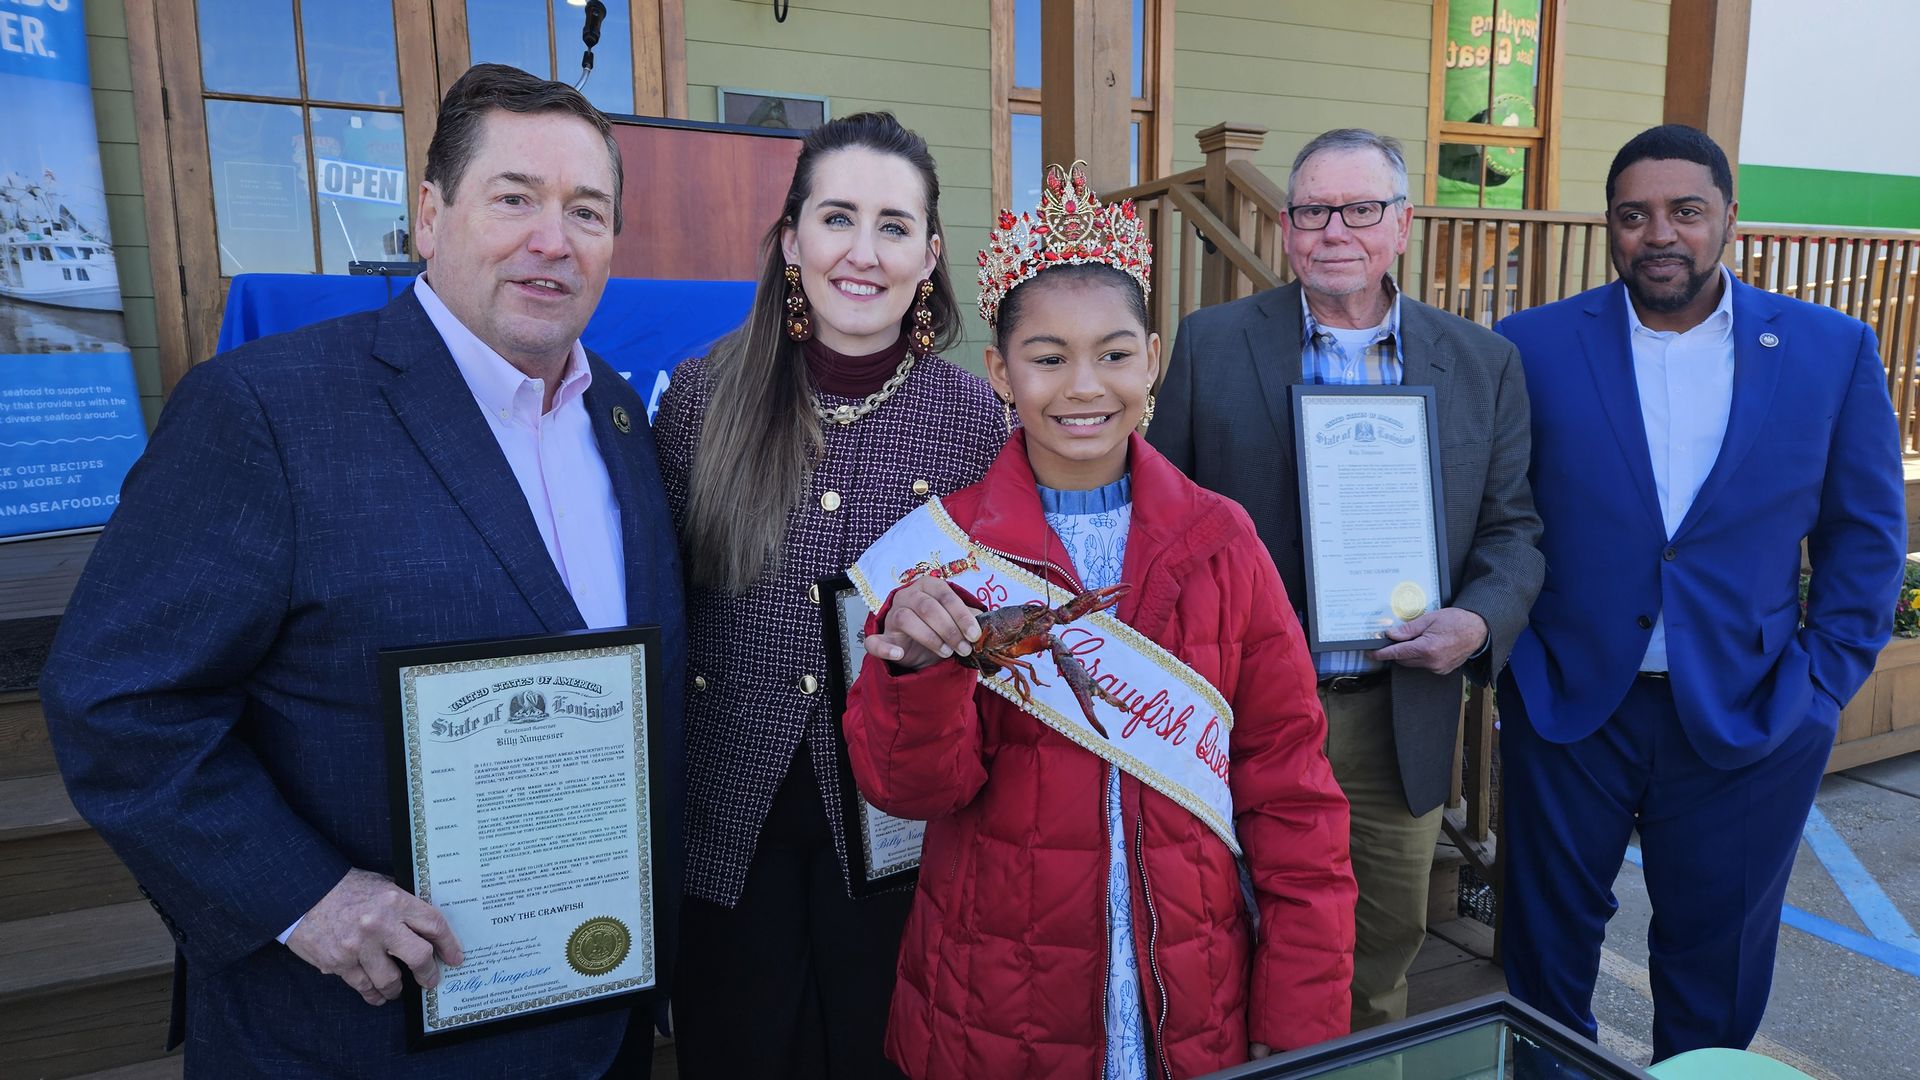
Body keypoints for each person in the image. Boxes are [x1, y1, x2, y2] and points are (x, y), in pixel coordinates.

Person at [38, 64, 685, 1077]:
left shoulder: (620, 418)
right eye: (514, 198)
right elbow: (115, 699)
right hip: (355, 1035)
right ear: (429, 215)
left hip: (590, 1019)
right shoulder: (270, 414)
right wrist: (308, 899)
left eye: (586, 211)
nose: (552, 240)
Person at [843, 162, 1356, 1079]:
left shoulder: (1220, 542)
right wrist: (917, 673)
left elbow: (1292, 792)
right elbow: (911, 790)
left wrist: (1304, 1012)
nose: (1084, 386)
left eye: (1114, 354)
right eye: (1048, 358)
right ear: (1001, 372)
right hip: (996, 999)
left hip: (1195, 989)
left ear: (1152, 360)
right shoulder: (945, 552)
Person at [1494, 124, 1906, 1060]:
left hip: (1755, 711)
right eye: (1633, 216)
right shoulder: (1532, 346)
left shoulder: (1828, 350)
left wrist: (1820, 687)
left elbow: (1865, 537)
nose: (1660, 234)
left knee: (1715, 966)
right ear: (1611, 228)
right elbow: (1499, 511)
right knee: (1545, 954)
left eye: (1686, 211)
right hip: (1571, 707)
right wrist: (1514, 661)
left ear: (1728, 218)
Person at [1147, 128, 1544, 1030]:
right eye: (1315, 210)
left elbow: (1513, 533)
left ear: (1401, 225)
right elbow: (1160, 524)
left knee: (1375, 961)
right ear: (1287, 229)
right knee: (1218, 940)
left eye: (1361, 209)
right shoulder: (1213, 346)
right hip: (1243, 709)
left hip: (1395, 714)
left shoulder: (1482, 364)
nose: (1336, 229)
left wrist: (1476, 625)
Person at [653, 112, 1001, 1078]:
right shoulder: (700, 398)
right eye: (837, 217)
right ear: (790, 238)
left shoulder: (978, 422)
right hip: (727, 826)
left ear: (930, 255)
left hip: (903, 837)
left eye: (894, 226)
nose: (863, 251)